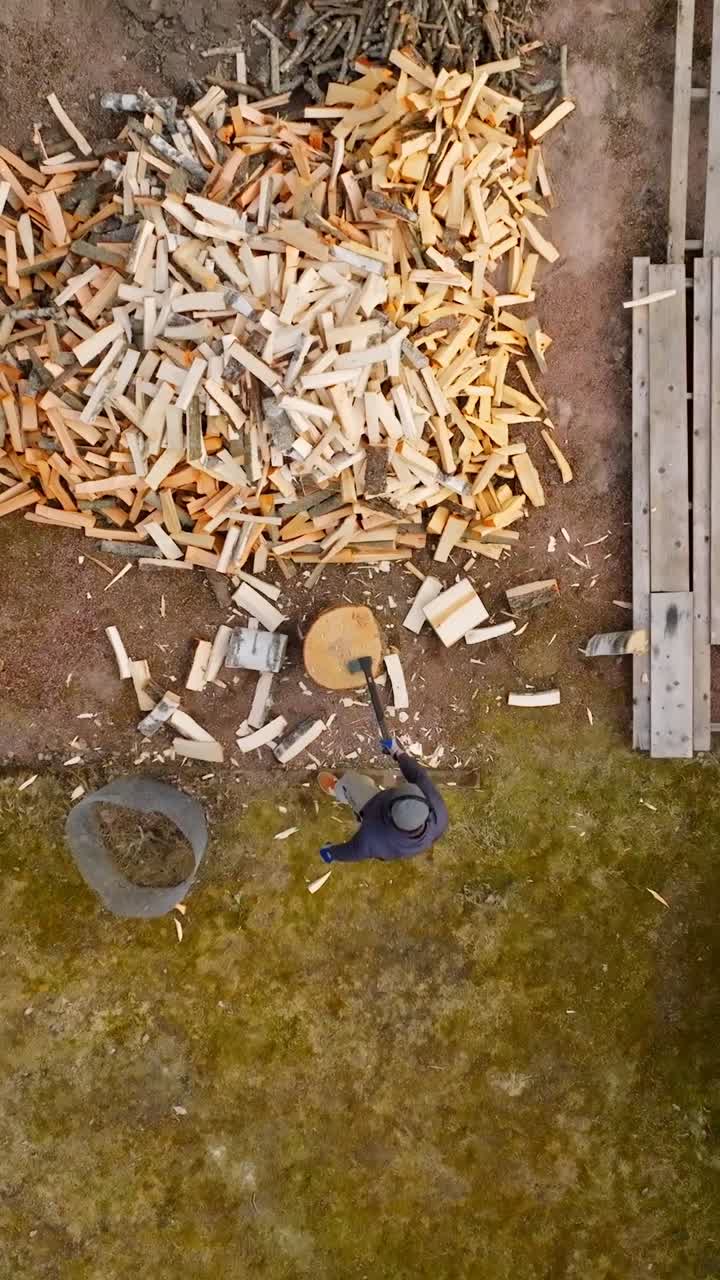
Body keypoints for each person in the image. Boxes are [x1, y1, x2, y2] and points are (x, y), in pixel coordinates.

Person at [317, 737, 448, 865]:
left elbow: (353, 851)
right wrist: (397, 752)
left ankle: (339, 789)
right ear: (426, 804)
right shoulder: (439, 814)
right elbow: (418, 776)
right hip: (385, 821)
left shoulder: (373, 840)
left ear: (390, 814)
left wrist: (332, 853)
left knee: (351, 782)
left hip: (371, 806)